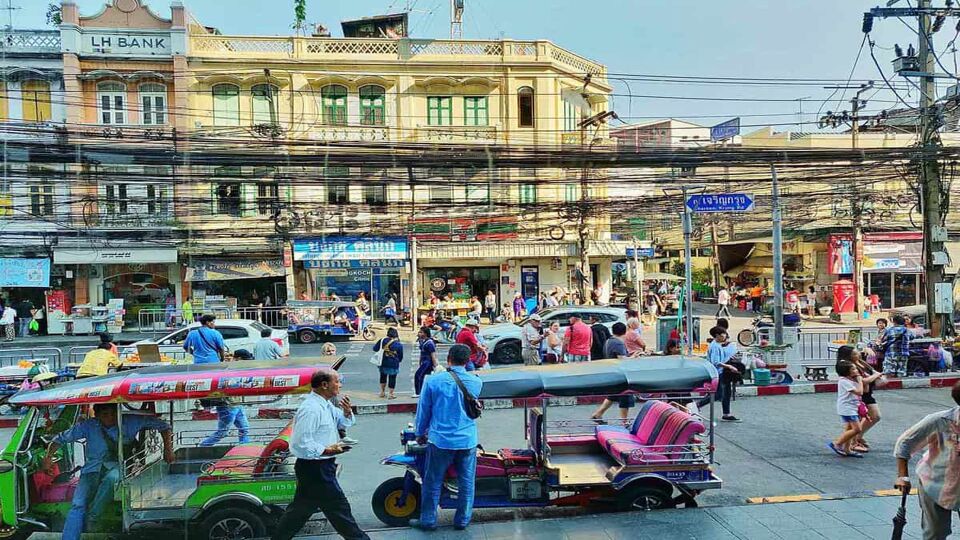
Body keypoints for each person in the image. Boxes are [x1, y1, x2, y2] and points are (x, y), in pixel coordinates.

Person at [44, 404, 173, 540]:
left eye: (113, 414)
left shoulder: (130, 421)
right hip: (92, 469)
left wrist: (168, 449)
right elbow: (59, 439)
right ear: (97, 416)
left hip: (119, 466)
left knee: (112, 477)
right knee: (78, 504)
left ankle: (93, 516)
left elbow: (164, 426)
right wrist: (48, 458)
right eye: (105, 415)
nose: (110, 418)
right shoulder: (88, 426)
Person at [271, 370, 369, 540]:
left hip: (320, 468)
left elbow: (343, 421)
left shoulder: (326, 404)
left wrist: (346, 412)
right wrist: (328, 450)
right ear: (325, 385)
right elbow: (301, 442)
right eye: (337, 381)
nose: (340, 385)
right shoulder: (311, 409)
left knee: (298, 512)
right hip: (316, 469)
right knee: (340, 510)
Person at [411, 344, 482, 532]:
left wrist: (419, 433)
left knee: (432, 481)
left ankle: (428, 521)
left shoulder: (433, 381)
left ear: (448, 359)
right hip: (467, 440)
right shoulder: (476, 382)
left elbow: (423, 411)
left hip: (441, 441)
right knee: (466, 481)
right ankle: (462, 520)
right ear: (467, 361)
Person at [893, 381, 960, 540]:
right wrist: (903, 477)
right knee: (936, 533)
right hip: (935, 484)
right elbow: (905, 443)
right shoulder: (941, 421)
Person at [837, 345, 883, 453]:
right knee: (872, 417)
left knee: (853, 423)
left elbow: (868, 371)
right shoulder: (849, 367)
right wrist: (876, 376)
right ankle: (850, 441)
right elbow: (863, 381)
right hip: (860, 395)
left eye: (857, 352)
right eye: (854, 353)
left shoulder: (859, 362)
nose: (857, 354)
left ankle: (850, 445)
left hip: (866, 393)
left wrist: (867, 349)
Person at [590, 323, 636, 423]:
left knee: (613, 396)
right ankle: (624, 421)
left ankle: (598, 414)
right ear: (625, 331)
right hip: (621, 374)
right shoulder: (618, 343)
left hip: (612, 371)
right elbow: (622, 359)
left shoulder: (609, 341)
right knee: (625, 396)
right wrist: (635, 357)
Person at [696, 327, 740, 422]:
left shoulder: (718, 345)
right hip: (717, 373)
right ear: (717, 335)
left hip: (720, 372)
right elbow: (716, 362)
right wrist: (729, 366)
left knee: (723, 393)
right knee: (718, 394)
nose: (725, 336)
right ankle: (697, 405)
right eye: (723, 334)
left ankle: (726, 413)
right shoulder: (715, 346)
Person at [828, 360, 865, 458]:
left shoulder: (851, 380)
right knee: (857, 429)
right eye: (853, 369)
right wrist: (860, 380)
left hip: (853, 407)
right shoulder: (844, 381)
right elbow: (860, 392)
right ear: (846, 371)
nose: (856, 370)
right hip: (847, 408)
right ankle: (837, 443)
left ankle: (847, 449)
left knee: (849, 429)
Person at [374, 327, 403, 399]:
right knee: (392, 378)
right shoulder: (398, 344)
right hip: (393, 363)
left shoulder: (382, 340)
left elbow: (375, 348)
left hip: (383, 362)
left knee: (383, 376)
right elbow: (400, 356)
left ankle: (382, 392)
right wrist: (398, 360)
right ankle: (391, 394)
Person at [414, 326, 438, 398]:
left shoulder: (430, 343)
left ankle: (419, 392)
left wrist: (435, 365)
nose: (419, 333)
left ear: (425, 333)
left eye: (421, 332)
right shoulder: (422, 341)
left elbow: (433, 354)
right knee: (425, 377)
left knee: (418, 375)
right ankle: (423, 392)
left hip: (427, 362)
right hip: (423, 361)